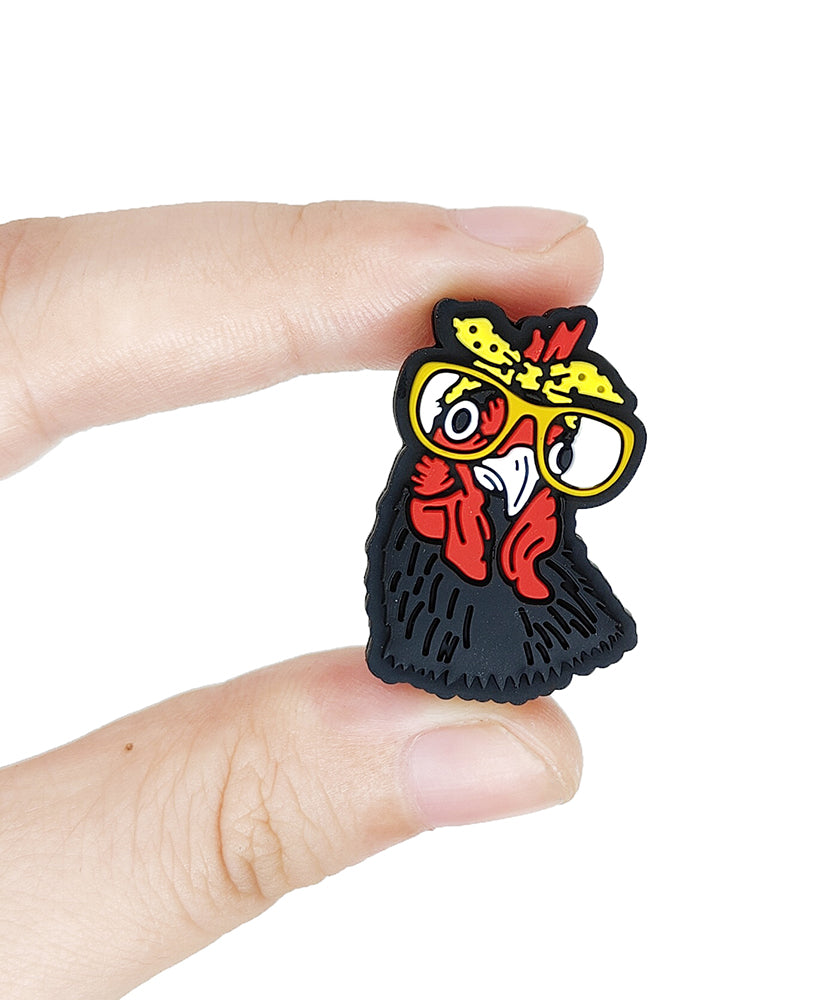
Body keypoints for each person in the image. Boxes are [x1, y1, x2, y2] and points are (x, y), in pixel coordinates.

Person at [0, 201, 602, 997]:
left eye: (553, 448)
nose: (514, 467)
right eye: (471, 423)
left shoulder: (533, 554)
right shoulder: (432, 532)